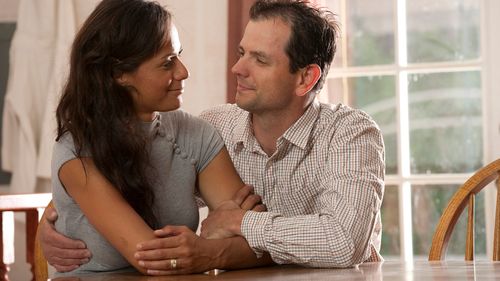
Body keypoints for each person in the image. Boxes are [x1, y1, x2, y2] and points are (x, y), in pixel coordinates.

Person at [40, 0, 385, 275]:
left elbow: (341, 242)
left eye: (259, 60)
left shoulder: (350, 133)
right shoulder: (216, 125)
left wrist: (237, 228)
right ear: (119, 75)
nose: (236, 69)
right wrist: (57, 215)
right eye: (240, 53)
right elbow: (116, 190)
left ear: (305, 79)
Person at [47, 0, 266, 276]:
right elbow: (153, 259)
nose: (183, 72)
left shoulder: (196, 135)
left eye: (179, 56)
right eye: (167, 63)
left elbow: (262, 243)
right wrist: (216, 235)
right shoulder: (77, 152)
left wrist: (210, 248)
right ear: (119, 73)